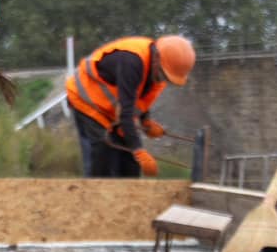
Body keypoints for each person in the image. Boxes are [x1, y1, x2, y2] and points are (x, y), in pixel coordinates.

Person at [64, 34, 195, 178]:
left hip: (112, 109)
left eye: (167, 79)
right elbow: (126, 114)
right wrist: (139, 151)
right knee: (103, 155)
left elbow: (139, 97)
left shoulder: (155, 68)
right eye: (163, 75)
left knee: (130, 163)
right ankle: (94, 196)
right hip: (87, 99)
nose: (162, 80)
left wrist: (146, 122)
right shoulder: (131, 62)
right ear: (157, 58)